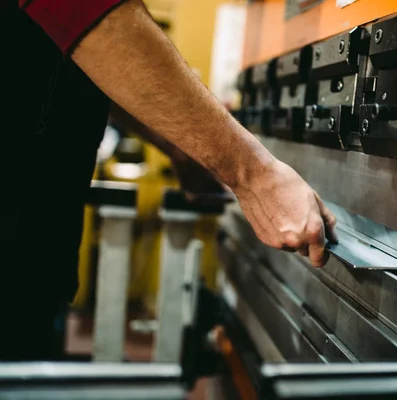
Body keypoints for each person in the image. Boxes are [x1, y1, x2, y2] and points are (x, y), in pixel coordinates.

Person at [0, 0, 337, 361]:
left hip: (33, 245)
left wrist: (179, 147)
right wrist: (255, 175)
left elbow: (80, 55)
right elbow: (85, 12)